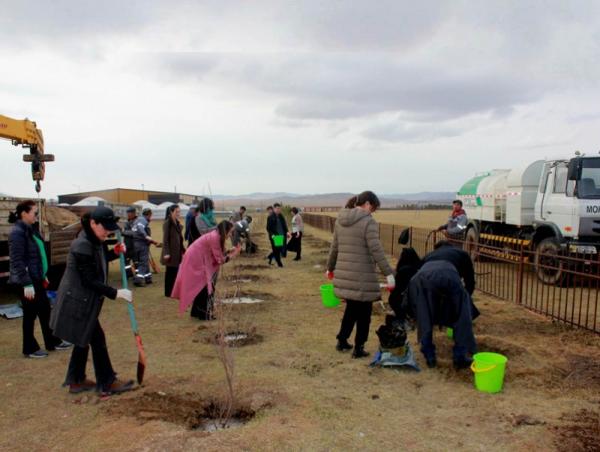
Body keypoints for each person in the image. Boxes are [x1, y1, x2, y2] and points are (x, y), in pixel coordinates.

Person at [49, 207, 134, 395]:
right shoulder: (82, 245)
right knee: (97, 339)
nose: (108, 232)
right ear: (93, 223)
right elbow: (88, 280)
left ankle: (76, 380)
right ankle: (107, 382)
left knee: (84, 338)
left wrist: (115, 251)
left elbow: (99, 258)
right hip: (77, 302)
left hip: (83, 301)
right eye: (105, 228)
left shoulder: (95, 240)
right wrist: (115, 293)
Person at [326, 191, 395, 358]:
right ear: (368, 204)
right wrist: (389, 273)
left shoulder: (341, 220)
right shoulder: (368, 222)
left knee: (351, 310)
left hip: (346, 276)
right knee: (364, 314)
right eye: (374, 208)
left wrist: (330, 267)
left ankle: (342, 341)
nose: (373, 212)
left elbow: (334, 247)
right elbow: (376, 250)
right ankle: (359, 348)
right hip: (362, 277)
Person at [8, 200, 71, 359]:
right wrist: (26, 283)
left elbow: (38, 256)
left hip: (37, 279)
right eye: (34, 213)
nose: (37, 216)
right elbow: (17, 261)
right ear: (24, 213)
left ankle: (52, 341)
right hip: (28, 282)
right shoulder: (17, 233)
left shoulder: (31, 230)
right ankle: (29, 348)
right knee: (30, 314)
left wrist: (43, 275)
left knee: (45, 311)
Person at [171, 221, 241, 320]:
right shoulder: (215, 237)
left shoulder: (216, 235)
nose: (230, 235)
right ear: (225, 231)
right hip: (195, 260)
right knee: (207, 287)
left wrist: (229, 251)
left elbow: (218, 252)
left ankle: (197, 312)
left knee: (203, 286)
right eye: (230, 232)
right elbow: (220, 260)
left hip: (196, 257)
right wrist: (233, 255)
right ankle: (205, 314)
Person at [161, 204, 185, 297]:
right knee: (170, 273)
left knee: (175, 272)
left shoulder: (177, 222)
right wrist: (166, 252)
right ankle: (168, 292)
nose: (178, 213)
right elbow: (165, 239)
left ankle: (173, 291)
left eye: (179, 211)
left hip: (177, 252)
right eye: (177, 212)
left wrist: (183, 250)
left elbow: (179, 237)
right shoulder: (167, 223)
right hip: (170, 253)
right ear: (171, 212)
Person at [132, 208, 160, 287]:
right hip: (141, 244)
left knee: (143, 261)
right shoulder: (143, 220)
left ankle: (148, 279)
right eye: (151, 216)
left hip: (135, 244)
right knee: (143, 262)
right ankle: (138, 280)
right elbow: (141, 229)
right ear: (148, 215)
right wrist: (146, 236)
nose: (151, 218)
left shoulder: (137, 220)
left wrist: (152, 242)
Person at [266, 203, 289, 267]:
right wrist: (272, 235)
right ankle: (279, 264)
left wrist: (287, 232)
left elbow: (284, 225)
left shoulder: (281, 216)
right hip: (275, 236)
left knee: (279, 249)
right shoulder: (270, 217)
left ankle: (270, 257)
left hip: (281, 235)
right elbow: (268, 228)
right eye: (277, 208)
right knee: (276, 250)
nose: (279, 210)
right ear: (274, 209)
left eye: (279, 208)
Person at [121, 206, 137, 278]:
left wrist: (124, 232)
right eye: (127, 213)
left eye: (130, 213)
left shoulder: (137, 221)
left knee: (136, 261)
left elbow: (134, 233)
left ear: (134, 213)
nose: (128, 214)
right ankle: (128, 274)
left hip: (134, 245)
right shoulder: (127, 222)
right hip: (127, 245)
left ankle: (138, 276)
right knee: (125, 261)